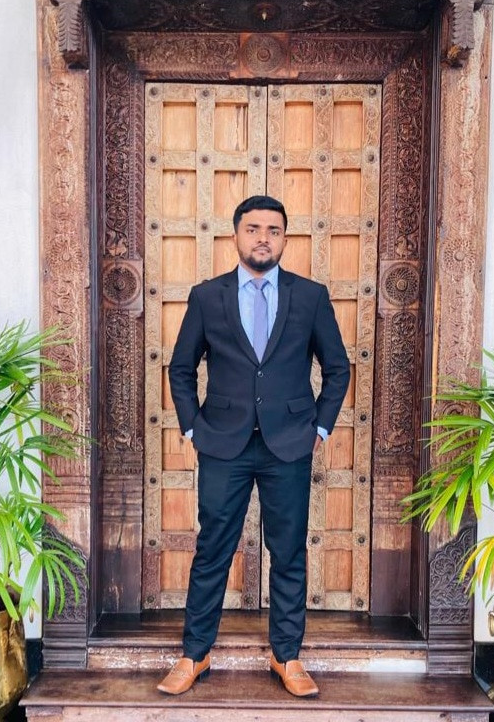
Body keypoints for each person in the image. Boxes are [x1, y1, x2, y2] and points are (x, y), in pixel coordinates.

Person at [157, 195, 350, 698]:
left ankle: (286, 656)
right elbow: (181, 368)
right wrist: (193, 429)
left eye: (273, 230)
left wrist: (320, 429)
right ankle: (194, 654)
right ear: (236, 235)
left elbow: (338, 368)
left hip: (290, 444)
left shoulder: (310, 296)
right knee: (212, 550)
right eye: (253, 228)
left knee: (288, 553)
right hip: (224, 444)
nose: (263, 238)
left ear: (285, 238)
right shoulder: (207, 296)